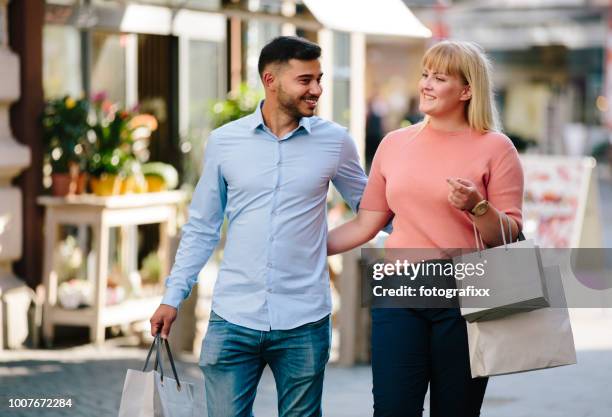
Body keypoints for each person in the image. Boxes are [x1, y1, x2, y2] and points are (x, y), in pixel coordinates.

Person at [150, 36, 375, 417]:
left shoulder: (335, 142)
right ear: (270, 81)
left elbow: (372, 209)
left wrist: (322, 243)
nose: (317, 89)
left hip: (304, 318)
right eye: (305, 80)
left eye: (319, 79)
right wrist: (173, 295)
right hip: (233, 315)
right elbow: (203, 227)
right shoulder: (224, 142)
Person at [327, 40, 524, 417]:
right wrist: (304, 245)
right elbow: (367, 223)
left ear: (466, 90)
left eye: (439, 78)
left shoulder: (496, 148)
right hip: (398, 290)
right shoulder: (394, 143)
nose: (426, 85)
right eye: (424, 75)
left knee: (456, 410)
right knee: (392, 409)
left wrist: (477, 207)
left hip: (465, 294)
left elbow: (509, 236)